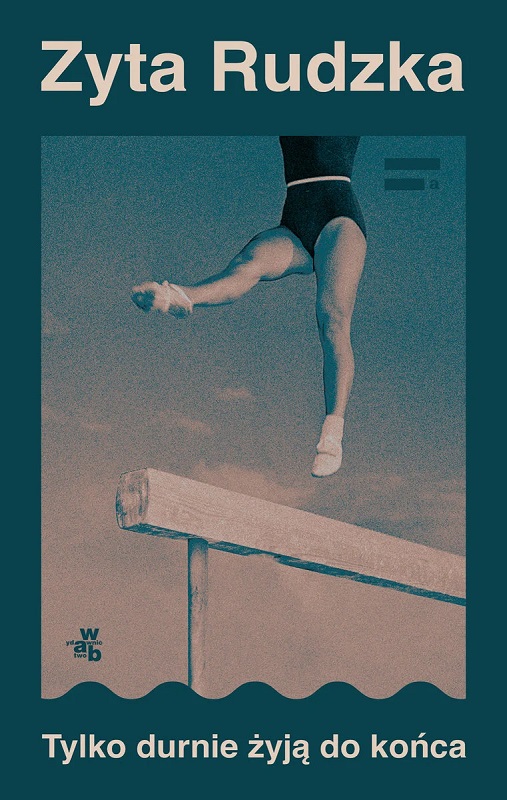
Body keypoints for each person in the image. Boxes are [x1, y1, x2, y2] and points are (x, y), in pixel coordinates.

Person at [131, 136, 367, 477]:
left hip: (340, 220)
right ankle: (180, 296)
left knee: (332, 319)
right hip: (295, 223)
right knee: (246, 265)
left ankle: (332, 434)